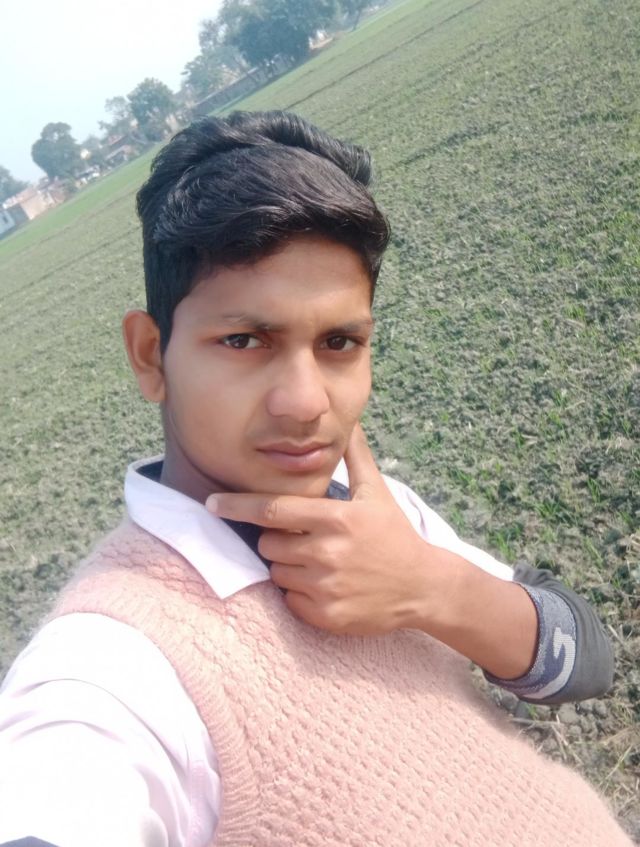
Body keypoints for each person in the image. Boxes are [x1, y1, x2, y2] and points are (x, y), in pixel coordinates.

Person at [0, 111, 629, 847]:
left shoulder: (376, 516)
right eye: (244, 340)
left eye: (339, 342)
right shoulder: (115, 665)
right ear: (150, 354)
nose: (304, 402)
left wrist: (429, 586)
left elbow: (588, 663)